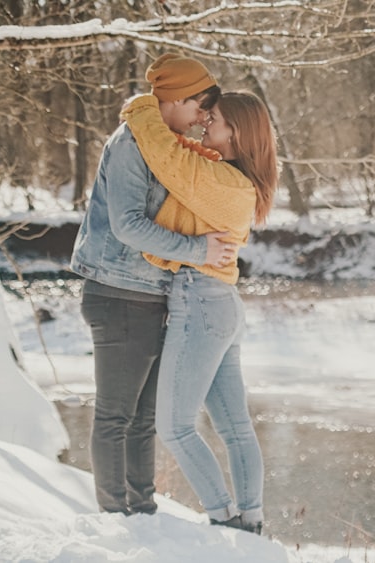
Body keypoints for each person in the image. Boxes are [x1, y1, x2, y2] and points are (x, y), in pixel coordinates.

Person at [70, 53, 237, 515]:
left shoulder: (165, 144)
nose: (204, 117)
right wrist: (201, 251)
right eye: (201, 106)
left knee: (143, 418)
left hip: (153, 294)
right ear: (177, 98)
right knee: (115, 414)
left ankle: (140, 510)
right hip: (118, 292)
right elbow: (127, 225)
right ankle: (114, 514)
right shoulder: (132, 143)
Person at [119, 90, 277, 534]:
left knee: (175, 426)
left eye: (216, 119)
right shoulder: (228, 177)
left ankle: (225, 519)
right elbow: (184, 153)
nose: (205, 122)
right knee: (234, 427)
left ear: (237, 132)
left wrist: (143, 107)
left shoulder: (222, 182)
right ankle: (251, 522)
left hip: (202, 304)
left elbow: (166, 155)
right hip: (218, 303)